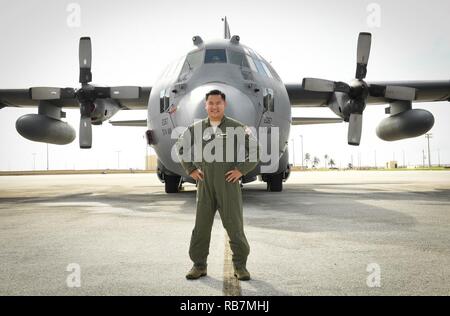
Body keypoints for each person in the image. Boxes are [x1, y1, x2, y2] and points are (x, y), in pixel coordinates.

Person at [176, 89, 259, 281]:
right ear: (205, 106)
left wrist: (241, 170)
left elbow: (255, 149)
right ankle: (199, 265)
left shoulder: (236, 127)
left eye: (218, 103)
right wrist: (190, 169)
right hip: (204, 184)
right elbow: (181, 147)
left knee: (235, 227)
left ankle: (240, 266)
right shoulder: (196, 128)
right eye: (210, 103)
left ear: (224, 105)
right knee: (201, 227)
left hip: (228, 184)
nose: (214, 107)